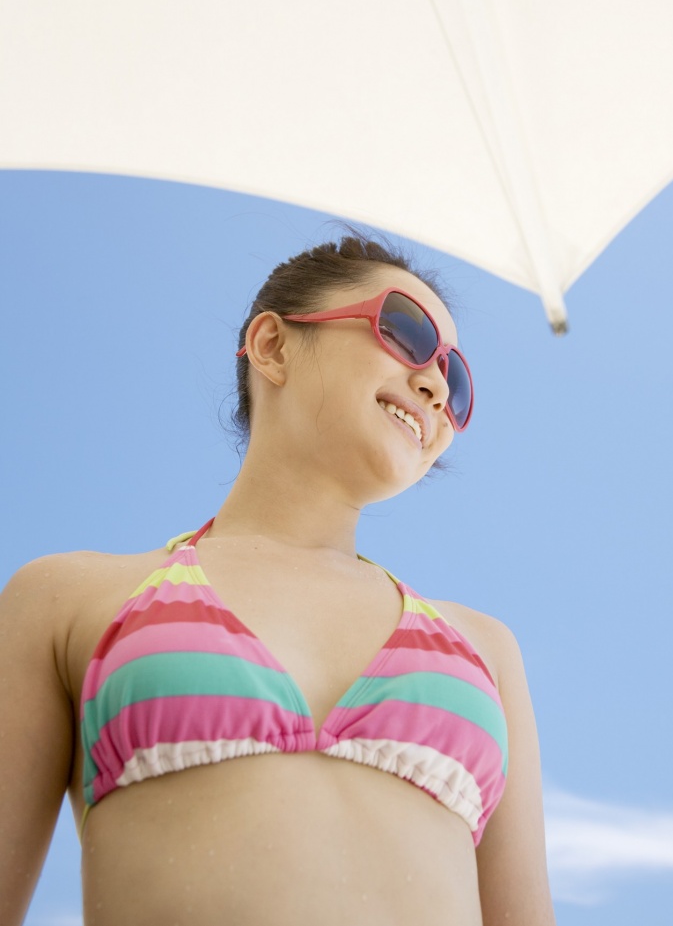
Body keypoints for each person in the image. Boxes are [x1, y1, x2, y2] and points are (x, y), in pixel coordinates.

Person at [0, 234, 556, 926]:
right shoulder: (63, 599)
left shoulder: (487, 650)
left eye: (457, 380)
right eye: (406, 332)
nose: (437, 385)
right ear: (271, 345)